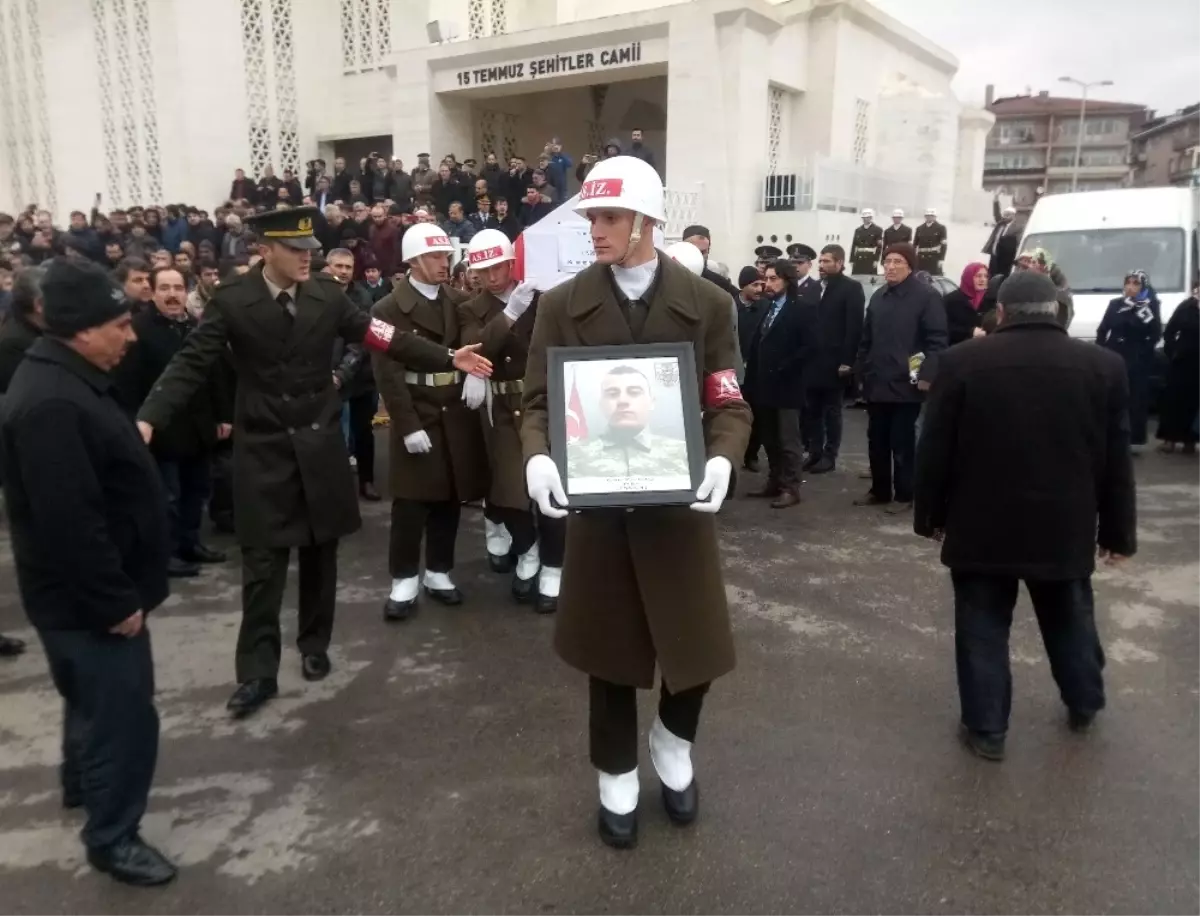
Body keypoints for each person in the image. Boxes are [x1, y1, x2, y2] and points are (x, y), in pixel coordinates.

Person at [134, 207, 493, 718]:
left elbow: (379, 336)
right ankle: (257, 672)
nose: (309, 259)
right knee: (263, 566)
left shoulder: (329, 297)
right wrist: (149, 417)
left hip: (319, 444)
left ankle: (314, 645)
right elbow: (192, 361)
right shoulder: (234, 302)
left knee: (321, 556)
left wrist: (446, 356)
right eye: (297, 251)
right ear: (264, 250)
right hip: (263, 448)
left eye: (311, 251)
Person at [521, 155, 751, 850]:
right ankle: (615, 769)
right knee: (609, 649)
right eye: (591, 216)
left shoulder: (709, 303)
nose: (596, 230)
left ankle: (673, 742)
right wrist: (535, 454)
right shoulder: (561, 305)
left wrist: (722, 455)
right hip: (602, 512)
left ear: (649, 222)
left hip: (676, 511)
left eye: (610, 217)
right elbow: (537, 402)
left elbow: (727, 398)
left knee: (696, 644)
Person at [0, 258, 177, 885]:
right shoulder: (50, 401)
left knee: (89, 704)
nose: (129, 337)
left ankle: (82, 786)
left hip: (80, 599)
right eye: (119, 325)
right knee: (121, 719)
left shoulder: (65, 377)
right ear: (81, 329)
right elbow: (70, 522)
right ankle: (112, 836)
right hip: (92, 603)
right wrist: (113, 602)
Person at [914, 271, 1136, 762]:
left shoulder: (961, 362)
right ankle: (1084, 702)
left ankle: (987, 728)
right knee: (1069, 617)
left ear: (1001, 313)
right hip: (1064, 525)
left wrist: (929, 516)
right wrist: (1118, 533)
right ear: (1057, 310)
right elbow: (1116, 459)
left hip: (980, 523)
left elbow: (935, 451)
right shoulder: (1104, 367)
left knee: (982, 626)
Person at [371, 223, 491, 620]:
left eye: (446, 257)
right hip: (417, 407)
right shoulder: (386, 309)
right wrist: (406, 425)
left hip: (453, 409)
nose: (445, 263)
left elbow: (476, 339)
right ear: (414, 261)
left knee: (448, 497)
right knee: (410, 502)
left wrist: (475, 373)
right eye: (437, 257)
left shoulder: (458, 300)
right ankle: (403, 577)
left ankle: (439, 570)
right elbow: (387, 373)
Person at [458, 230, 566, 611]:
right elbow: (475, 347)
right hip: (502, 408)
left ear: (511, 263)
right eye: (482, 270)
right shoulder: (472, 308)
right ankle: (529, 551)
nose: (490, 277)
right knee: (507, 492)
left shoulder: (543, 300)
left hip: (545, 401)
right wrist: (509, 314)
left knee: (552, 493)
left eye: (497, 267)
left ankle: (554, 567)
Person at [113, 267, 229, 577]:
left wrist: (223, 416)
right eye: (165, 288)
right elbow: (129, 385)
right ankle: (165, 554)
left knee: (196, 492)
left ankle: (190, 544)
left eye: (178, 287)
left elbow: (214, 373)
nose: (173, 294)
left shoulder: (195, 325)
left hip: (198, 428)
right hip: (161, 433)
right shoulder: (138, 330)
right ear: (152, 292)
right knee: (167, 498)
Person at [854, 242, 947, 513]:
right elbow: (866, 338)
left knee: (903, 442)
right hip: (877, 380)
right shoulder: (879, 296)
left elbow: (936, 341)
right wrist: (860, 370)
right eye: (887, 262)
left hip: (908, 382)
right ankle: (880, 490)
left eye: (897, 262)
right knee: (877, 440)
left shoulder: (926, 297)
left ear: (910, 266)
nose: (890, 267)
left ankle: (905, 495)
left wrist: (927, 375)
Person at [743, 259, 808, 508]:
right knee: (769, 438)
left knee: (788, 440)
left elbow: (810, 347)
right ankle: (775, 481)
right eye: (766, 279)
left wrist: (784, 368)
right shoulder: (767, 308)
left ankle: (791, 487)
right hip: (763, 386)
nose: (767, 284)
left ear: (787, 280)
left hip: (787, 386)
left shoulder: (802, 308)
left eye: (773, 279)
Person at [566, 364, 692, 479]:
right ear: (601, 404)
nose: (622, 401)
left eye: (634, 392)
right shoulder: (571, 456)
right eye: (612, 394)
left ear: (652, 402)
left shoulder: (685, 454)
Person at [803, 244, 864, 474]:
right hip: (812, 361)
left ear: (840, 263)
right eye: (820, 261)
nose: (822, 265)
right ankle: (814, 452)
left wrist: (847, 360)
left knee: (832, 411)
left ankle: (830, 455)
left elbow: (854, 327)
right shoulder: (816, 287)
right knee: (812, 411)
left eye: (827, 261)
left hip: (835, 362)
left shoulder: (851, 288)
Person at [1096, 270, 1162, 453]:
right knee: (1111, 396)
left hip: (1137, 359)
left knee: (1135, 399)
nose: (1131, 287)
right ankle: (1109, 436)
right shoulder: (1115, 304)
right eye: (1128, 283)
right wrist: (1101, 350)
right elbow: (1103, 329)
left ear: (1143, 287)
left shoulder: (1149, 307)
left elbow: (1155, 333)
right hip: (1114, 354)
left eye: (1136, 284)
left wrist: (1143, 352)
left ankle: (1133, 439)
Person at [1157, 285, 1200, 454]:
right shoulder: (1185, 307)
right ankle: (1170, 439)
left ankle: (1190, 441)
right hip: (1182, 362)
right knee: (1174, 400)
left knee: (1195, 403)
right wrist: (1173, 352)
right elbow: (1169, 332)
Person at [1016, 247, 1073, 330]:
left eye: (1027, 265)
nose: (1020, 270)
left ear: (1043, 267)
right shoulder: (1014, 289)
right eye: (1020, 266)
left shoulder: (1058, 300)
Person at [944, 262, 989, 346]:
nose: (983, 279)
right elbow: (945, 327)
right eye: (978, 276)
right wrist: (970, 332)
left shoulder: (989, 300)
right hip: (956, 350)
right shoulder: (951, 300)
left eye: (985, 276)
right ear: (968, 277)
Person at [983, 196, 1020, 277]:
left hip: (1005, 259)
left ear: (1013, 216)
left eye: (1008, 214)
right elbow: (996, 213)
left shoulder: (1016, 228)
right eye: (1005, 214)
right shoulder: (1000, 224)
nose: (1005, 216)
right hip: (994, 256)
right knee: (991, 276)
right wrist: (995, 200)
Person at [914, 208, 948, 276]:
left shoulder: (941, 228)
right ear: (925, 216)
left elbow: (944, 245)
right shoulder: (919, 228)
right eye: (927, 216)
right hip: (921, 259)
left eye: (931, 216)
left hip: (934, 258)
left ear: (935, 217)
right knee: (919, 278)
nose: (929, 217)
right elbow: (914, 244)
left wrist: (942, 259)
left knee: (935, 279)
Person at [850, 209, 884, 275]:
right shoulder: (858, 230)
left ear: (871, 218)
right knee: (857, 277)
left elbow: (879, 246)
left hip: (870, 258)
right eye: (864, 218)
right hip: (858, 257)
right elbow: (854, 245)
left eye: (867, 217)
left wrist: (876, 260)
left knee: (870, 279)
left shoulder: (878, 230)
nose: (865, 219)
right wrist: (852, 259)